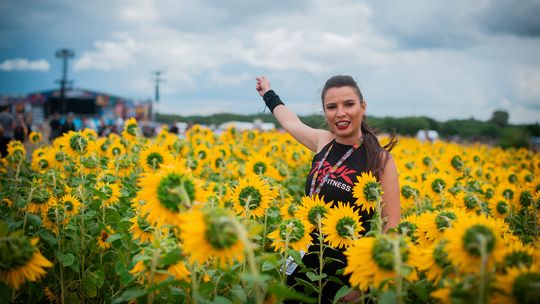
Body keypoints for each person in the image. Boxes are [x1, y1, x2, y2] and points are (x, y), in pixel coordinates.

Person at [255, 75, 400, 303]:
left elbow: (391, 227)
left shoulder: (380, 159)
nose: (340, 113)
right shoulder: (324, 141)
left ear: (362, 107)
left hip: (347, 275)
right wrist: (267, 94)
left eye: (348, 104)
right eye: (331, 107)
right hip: (302, 264)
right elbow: (291, 123)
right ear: (325, 112)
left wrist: (364, 284)